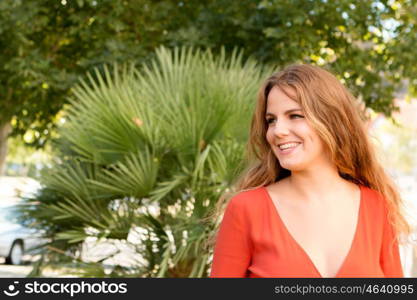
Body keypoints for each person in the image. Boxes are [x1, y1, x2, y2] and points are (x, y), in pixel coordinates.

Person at [209, 64, 410, 278]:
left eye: (295, 115)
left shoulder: (376, 206)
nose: (278, 131)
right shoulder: (246, 209)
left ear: (331, 120)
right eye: (271, 120)